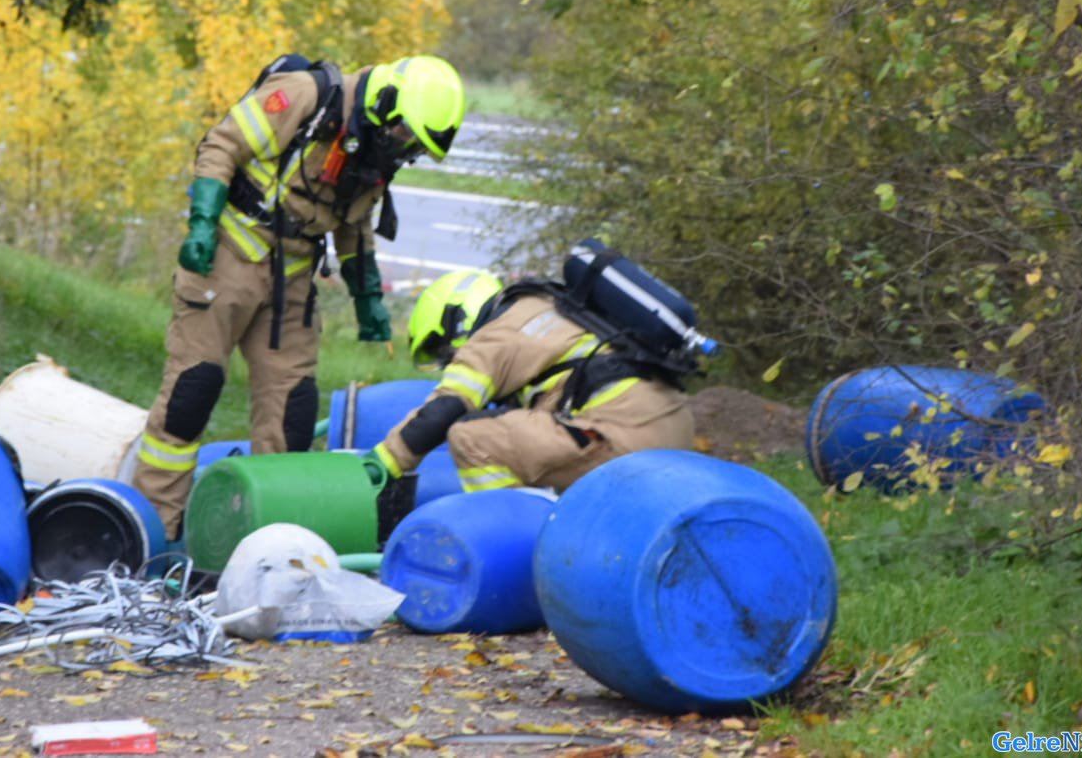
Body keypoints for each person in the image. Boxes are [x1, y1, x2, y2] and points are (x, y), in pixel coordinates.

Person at [133, 54, 467, 538]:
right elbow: (220, 147)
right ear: (386, 105)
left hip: (292, 281)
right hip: (228, 256)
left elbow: (354, 224)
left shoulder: (375, 148)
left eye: (413, 146)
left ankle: (267, 536)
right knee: (192, 392)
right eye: (406, 136)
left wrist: (367, 297)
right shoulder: (305, 96)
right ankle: (155, 528)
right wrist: (202, 225)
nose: (403, 149)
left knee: (292, 414)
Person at [363, 264, 696, 495]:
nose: (450, 358)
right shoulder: (549, 307)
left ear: (457, 320)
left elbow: (444, 410)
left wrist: (383, 463)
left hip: (623, 438)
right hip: (674, 430)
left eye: (444, 349)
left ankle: (521, 548)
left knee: (472, 436)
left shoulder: (494, 336)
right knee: (531, 435)